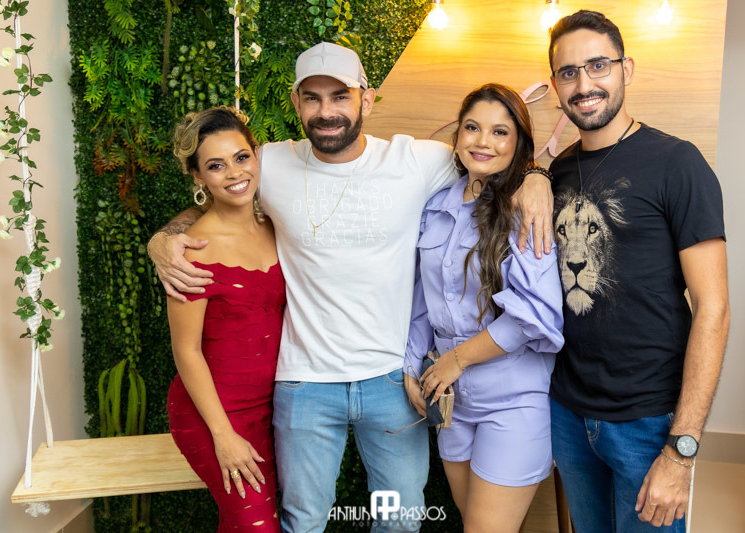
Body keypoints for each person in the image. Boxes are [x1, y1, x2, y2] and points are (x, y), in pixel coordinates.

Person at [149, 42, 552, 533]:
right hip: (303, 384)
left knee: (400, 521)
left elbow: (491, 155)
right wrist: (165, 238)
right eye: (312, 98)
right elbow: (220, 192)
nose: (327, 111)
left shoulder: (418, 160)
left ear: (368, 98)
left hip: (391, 381)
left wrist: (536, 176)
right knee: (304, 522)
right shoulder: (267, 163)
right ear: (296, 103)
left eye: (340, 95)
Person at [545, 10, 730, 532]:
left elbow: (714, 308)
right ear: (555, 85)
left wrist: (681, 448)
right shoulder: (558, 171)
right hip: (568, 411)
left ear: (626, 68)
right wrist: (536, 172)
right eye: (568, 72)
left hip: (650, 421)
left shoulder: (677, 162)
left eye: (597, 65)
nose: (584, 84)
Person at [403, 83, 564, 532]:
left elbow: (533, 316)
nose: (483, 142)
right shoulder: (435, 206)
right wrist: (410, 367)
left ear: (519, 143)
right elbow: (423, 300)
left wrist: (455, 359)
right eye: (472, 127)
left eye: (500, 132)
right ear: (457, 134)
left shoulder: (526, 208)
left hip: (512, 399)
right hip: (450, 400)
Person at [165, 106, 283, 532]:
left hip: (275, 408)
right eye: (216, 165)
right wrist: (223, 434)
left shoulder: (276, 227)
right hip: (214, 413)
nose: (234, 172)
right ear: (198, 177)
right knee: (256, 526)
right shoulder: (191, 248)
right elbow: (186, 350)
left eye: (241, 157)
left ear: (256, 154)